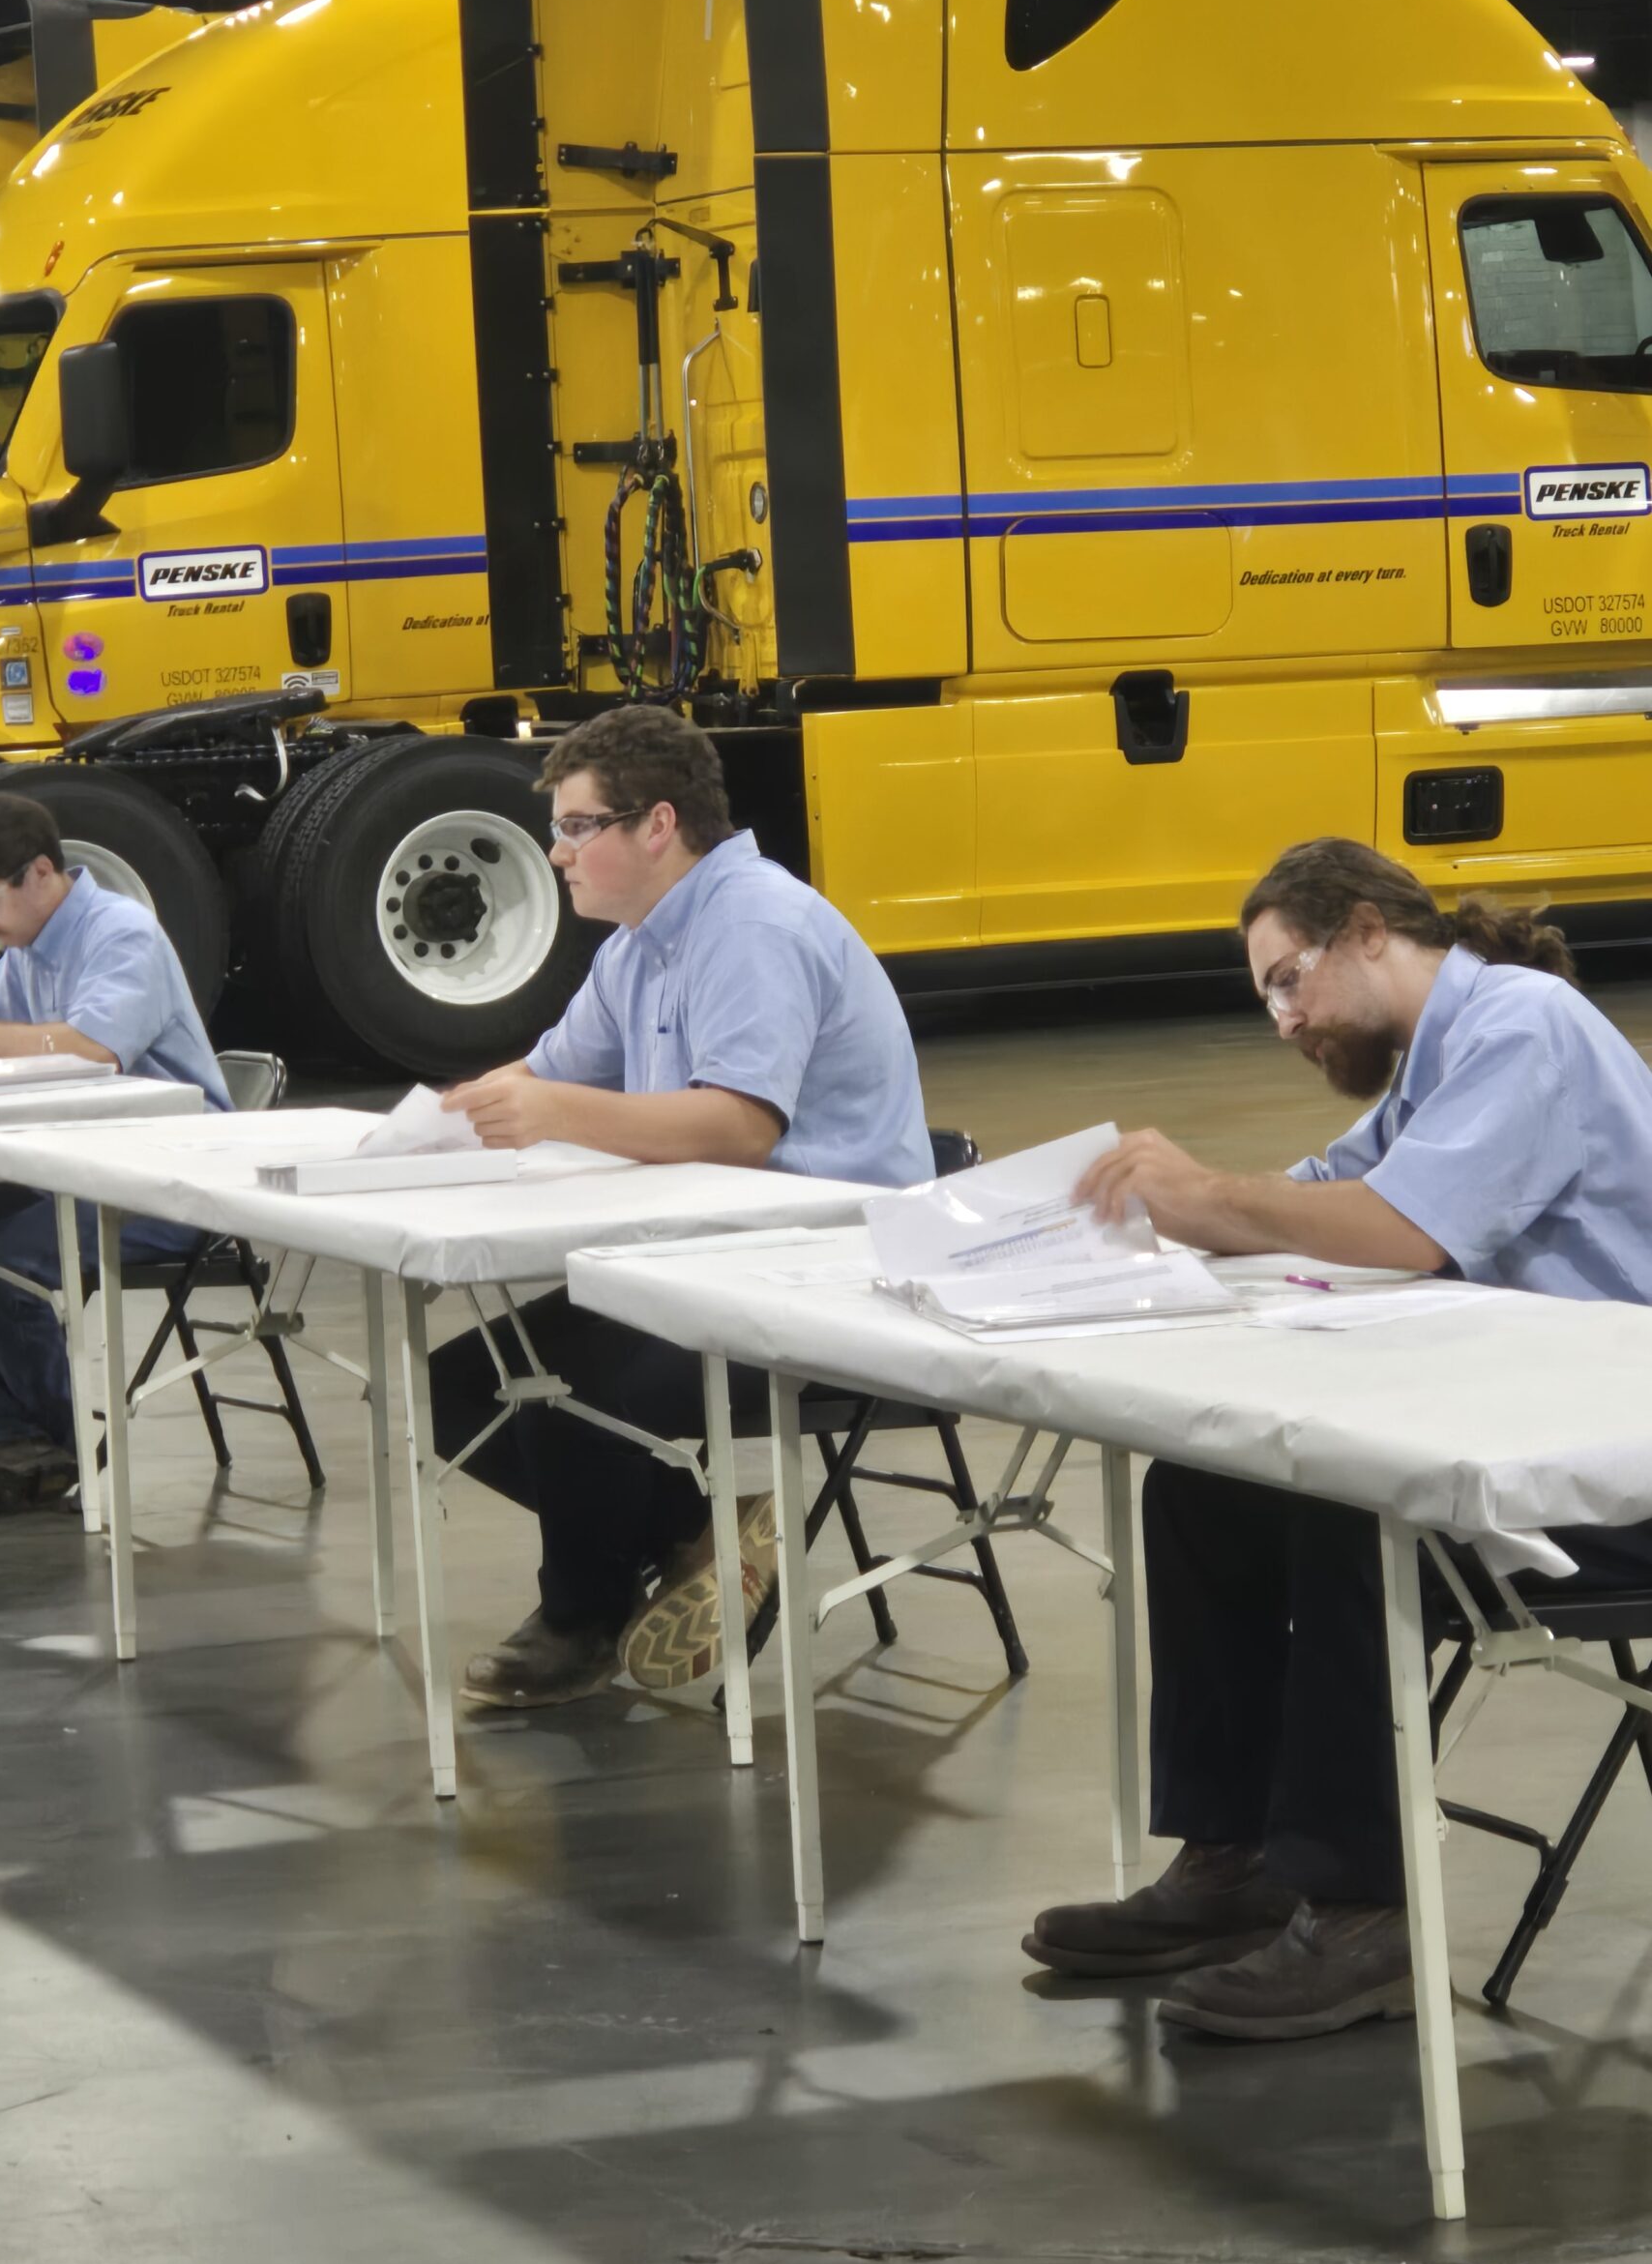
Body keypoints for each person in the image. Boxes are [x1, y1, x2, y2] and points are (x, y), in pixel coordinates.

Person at [1024, 837, 1652, 2041]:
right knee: (1209, 1489)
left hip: (1615, 1474)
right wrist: (1131, 1223)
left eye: (1286, 978)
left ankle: (1364, 1913)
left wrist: (1206, 1194)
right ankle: (1240, 1862)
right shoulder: (1437, 1060)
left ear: (1369, 931)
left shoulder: (1525, 1027)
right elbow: (1316, 1199)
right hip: (1530, 1436)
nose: (1282, 1018)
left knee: (1354, 1513)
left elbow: (1397, 1229)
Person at [428, 704, 933, 1709]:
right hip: (711, 1249)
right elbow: (546, 1071)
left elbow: (739, 1126)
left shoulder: (751, 923)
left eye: (578, 828)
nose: (557, 853)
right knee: (467, 1383)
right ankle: (695, 1535)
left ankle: (583, 1616)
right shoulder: (639, 943)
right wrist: (432, 1124)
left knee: (563, 1391)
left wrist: (550, 1109)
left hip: (824, 1265)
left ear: (657, 825)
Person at [0, 792, 230, 1519]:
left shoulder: (121, 934)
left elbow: (94, 1047)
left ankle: (60, 1442)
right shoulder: (25, 952)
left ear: (40, 873)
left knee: (7, 1264)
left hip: (175, 1173)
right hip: (81, 1168)